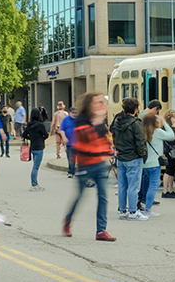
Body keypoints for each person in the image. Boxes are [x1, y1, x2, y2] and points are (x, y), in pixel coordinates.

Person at [64, 93, 115, 241]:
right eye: (97, 102)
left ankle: (101, 230)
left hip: (100, 164)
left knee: (103, 196)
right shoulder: (81, 120)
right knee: (80, 196)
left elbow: (105, 139)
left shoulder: (100, 120)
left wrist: (109, 151)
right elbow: (86, 139)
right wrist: (96, 122)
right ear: (89, 104)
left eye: (101, 102)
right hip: (85, 163)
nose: (100, 104)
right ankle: (68, 221)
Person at [111, 98, 148, 221]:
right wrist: (143, 155)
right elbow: (140, 141)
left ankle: (122, 210)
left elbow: (114, 137)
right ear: (136, 109)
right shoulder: (135, 123)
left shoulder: (117, 121)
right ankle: (133, 211)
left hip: (121, 156)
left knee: (122, 185)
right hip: (133, 157)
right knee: (133, 186)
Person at [141, 114, 174, 216]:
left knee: (146, 185)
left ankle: (142, 205)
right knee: (153, 186)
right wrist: (165, 123)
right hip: (155, 163)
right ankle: (148, 209)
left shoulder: (142, 132)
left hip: (145, 163)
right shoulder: (157, 132)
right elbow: (171, 136)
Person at [136, 101, 164, 211]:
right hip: (148, 154)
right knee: (149, 180)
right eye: (157, 111)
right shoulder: (146, 116)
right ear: (155, 108)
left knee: (145, 176)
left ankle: (144, 198)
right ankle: (145, 199)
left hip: (144, 154)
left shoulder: (141, 114)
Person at [160, 110, 175, 198]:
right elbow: (173, 138)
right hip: (168, 151)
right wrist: (174, 128)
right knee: (168, 171)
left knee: (172, 171)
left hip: (173, 152)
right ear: (169, 118)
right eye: (173, 117)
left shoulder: (172, 127)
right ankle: (165, 191)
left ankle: (170, 189)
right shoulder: (165, 127)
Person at [21, 116, 47, 191]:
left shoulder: (29, 125)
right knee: (36, 167)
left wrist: (31, 138)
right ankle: (34, 184)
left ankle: (35, 184)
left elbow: (24, 135)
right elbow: (46, 135)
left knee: (35, 166)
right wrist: (41, 138)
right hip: (39, 147)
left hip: (32, 147)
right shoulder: (40, 125)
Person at [60, 107, 77, 178]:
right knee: (70, 158)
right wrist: (64, 137)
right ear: (70, 113)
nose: (74, 114)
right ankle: (71, 171)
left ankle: (77, 171)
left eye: (75, 113)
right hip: (69, 142)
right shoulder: (66, 120)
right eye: (73, 113)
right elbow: (62, 129)